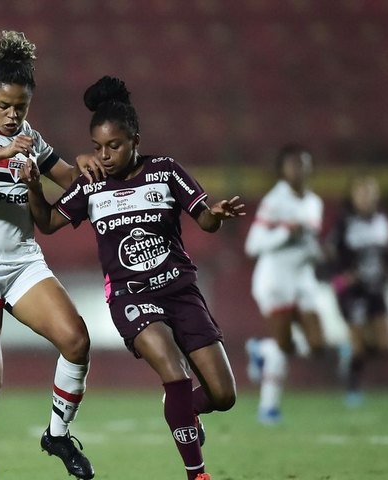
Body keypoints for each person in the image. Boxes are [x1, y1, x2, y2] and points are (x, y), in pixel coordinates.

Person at [19, 75, 242, 480]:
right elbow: (48, 222)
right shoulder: (92, 186)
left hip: (180, 290)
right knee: (174, 371)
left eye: (114, 145)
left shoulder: (165, 171)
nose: (104, 156)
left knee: (223, 395)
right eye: (97, 147)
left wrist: (217, 214)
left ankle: (182, 409)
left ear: (135, 140)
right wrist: (35, 187)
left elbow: (205, 220)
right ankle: (197, 474)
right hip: (132, 296)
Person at [0, 30, 101, 479]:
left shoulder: (31, 137)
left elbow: (69, 179)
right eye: (3, 106)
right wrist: (4, 150)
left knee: (76, 340)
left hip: (22, 263)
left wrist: (86, 168)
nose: (12, 116)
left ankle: (58, 435)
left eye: (20, 107)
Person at [243, 144, 326, 424]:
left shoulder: (314, 202)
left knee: (317, 345)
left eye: (304, 164)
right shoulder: (274, 201)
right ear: (283, 169)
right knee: (284, 345)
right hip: (275, 279)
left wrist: (319, 253)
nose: (299, 170)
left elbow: (309, 242)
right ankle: (268, 408)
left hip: (303, 277)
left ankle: (261, 349)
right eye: (293, 164)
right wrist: (284, 232)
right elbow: (252, 245)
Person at [324, 173, 388, 407]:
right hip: (352, 290)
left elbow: (384, 254)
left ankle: (349, 355)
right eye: (361, 193)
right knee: (359, 342)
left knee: (384, 343)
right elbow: (329, 251)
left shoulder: (382, 221)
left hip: (375, 287)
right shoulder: (345, 222)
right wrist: (342, 276)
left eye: (369, 192)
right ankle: (353, 388)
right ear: (353, 197)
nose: (366, 197)